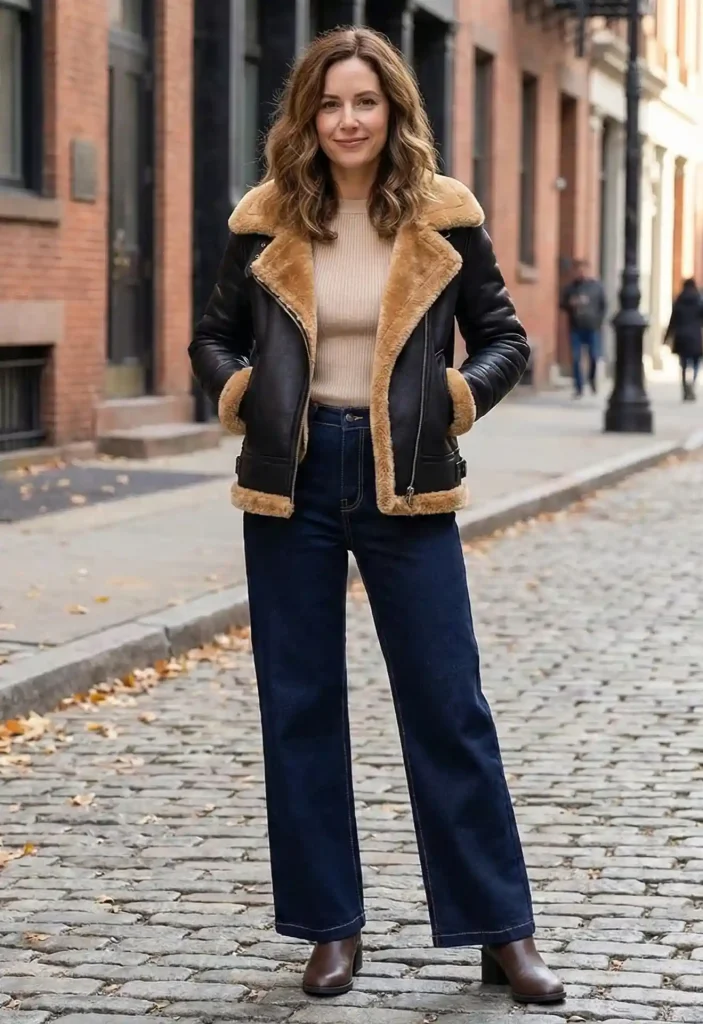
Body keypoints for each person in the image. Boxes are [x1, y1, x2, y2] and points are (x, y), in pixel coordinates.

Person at [189, 27, 564, 1008]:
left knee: (449, 702)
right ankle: (329, 928)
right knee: (299, 705)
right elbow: (214, 338)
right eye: (329, 103)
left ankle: (500, 931)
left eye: (365, 102)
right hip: (293, 479)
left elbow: (505, 338)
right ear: (306, 115)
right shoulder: (266, 216)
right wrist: (242, 399)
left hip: (408, 477)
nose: (347, 119)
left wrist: (452, 400)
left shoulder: (443, 214)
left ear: (393, 111)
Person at [560, 259, 607, 397]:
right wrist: (571, 304)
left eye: (583, 270)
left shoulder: (596, 287)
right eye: (578, 270)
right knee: (576, 358)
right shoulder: (570, 288)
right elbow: (562, 304)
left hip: (592, 327)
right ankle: (579, 387)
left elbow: (603, 305)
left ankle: (592, 379)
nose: (581, 273)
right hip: (576, 328)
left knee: (593, 356)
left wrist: (599, 321)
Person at [665, 278, 703, 401]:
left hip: (681, 336)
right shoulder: (699, 301)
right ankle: (692, 382)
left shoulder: (678, 301)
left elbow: (672, 321)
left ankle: (684, 385)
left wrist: (666, 337)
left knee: (683, 364)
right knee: (696, 363)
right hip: (695, 336)